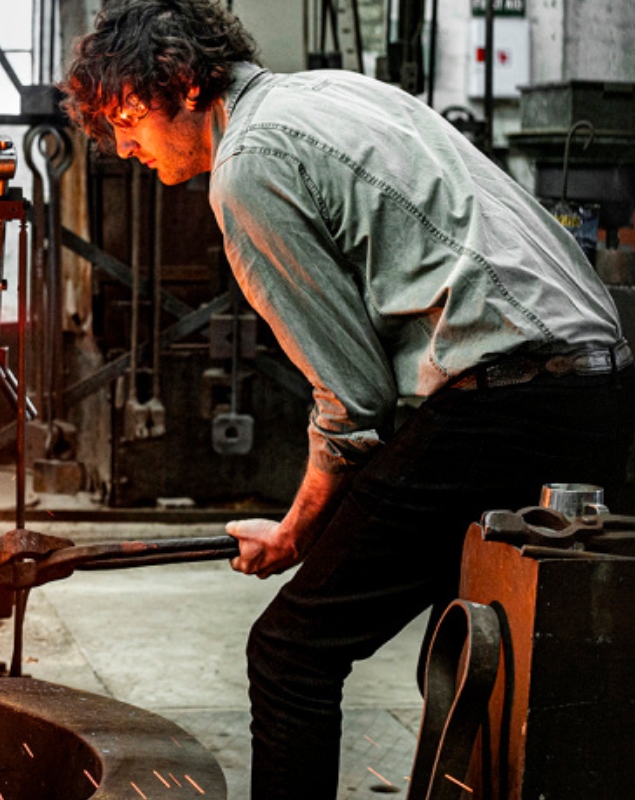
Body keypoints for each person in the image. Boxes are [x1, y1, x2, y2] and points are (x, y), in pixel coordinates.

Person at [60, 1, 633, 797]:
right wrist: (312, 528)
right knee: (475, 644)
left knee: (291, 653)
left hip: (507, 398)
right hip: (598, 382)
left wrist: (299, 529)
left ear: (185, 85)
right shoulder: (335, 91)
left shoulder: (248, 164)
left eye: (126, 117)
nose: (123, 145)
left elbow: (355, 401)